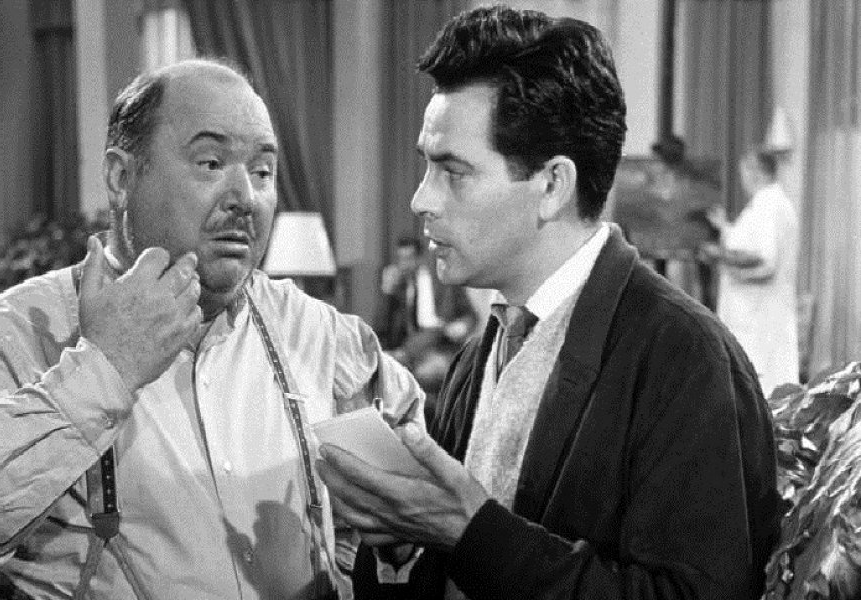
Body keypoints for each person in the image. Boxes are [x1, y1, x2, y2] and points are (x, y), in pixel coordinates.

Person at [0, 59, 423, 600]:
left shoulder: (320, 334)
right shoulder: (27, 328)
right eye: (211, 163)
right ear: (121, 178)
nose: (245, 198)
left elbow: (412, 504)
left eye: (262, 172)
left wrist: (366, 558)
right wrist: (103, 371)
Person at [316, 6, 781, 600]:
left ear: (553, 185)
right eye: (427, 167)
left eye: (453, 172)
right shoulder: (481, 354)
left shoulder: (685, 356)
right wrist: (404, 543)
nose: (420, 200)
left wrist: (472, 533)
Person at [703, 148, 800, 396]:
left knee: (762, 384)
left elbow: (762, 259)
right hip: (759, 312)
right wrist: (725, 228)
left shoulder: (769, 206)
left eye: (745, 172)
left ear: (755, 172)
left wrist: (719, 257)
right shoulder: (769, 204)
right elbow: (750, 243)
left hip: (758, 315)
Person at [377, 236, 477, 392]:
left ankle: (404, 356)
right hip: (410, 348)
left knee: (425, 371)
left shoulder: (444, 281)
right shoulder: (399, 288)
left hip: (440, 347)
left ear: (420, 258)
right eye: (401, 259)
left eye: (409, 258)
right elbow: (380, 330)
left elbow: (470, 316)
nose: (404, 265)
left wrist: (462, 326)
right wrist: (387, 293)